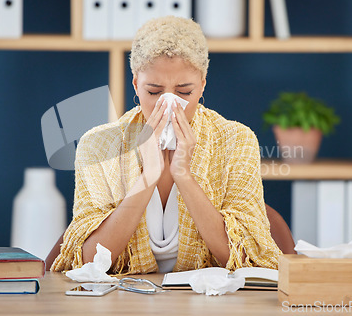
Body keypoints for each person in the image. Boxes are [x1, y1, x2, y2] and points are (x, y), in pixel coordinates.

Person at [51, 16, 281, 274]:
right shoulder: (98, 145)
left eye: (184, 92)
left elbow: (247, 257)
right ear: (136, 84)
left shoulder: (236, 140)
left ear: (203, 84)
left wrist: (183, 175)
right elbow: (85, 261)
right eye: (154, 92)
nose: (169, 105)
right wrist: (147, 177)